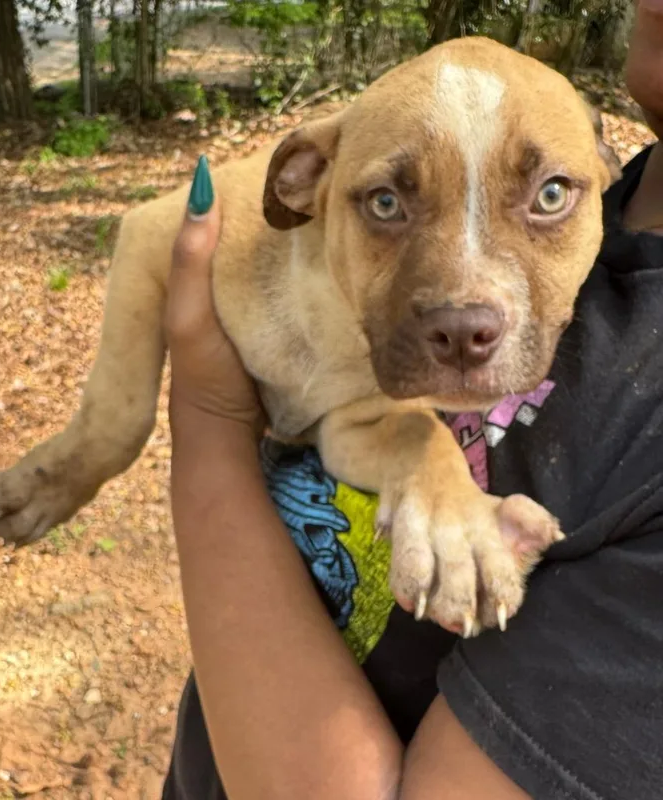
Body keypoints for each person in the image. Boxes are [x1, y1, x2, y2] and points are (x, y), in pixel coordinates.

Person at [160, 2, 663, 796]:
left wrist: (209, 421)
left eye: (549, 197)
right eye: (390, 205)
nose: (467, 302)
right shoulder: (602, 190)